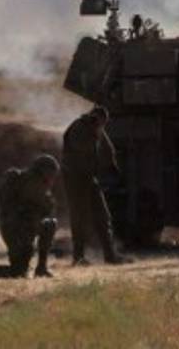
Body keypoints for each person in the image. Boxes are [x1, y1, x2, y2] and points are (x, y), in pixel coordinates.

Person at [62, 105, 132, 265]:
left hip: (89, 178)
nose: (102, 126)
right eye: (101, 122)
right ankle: (78, 257)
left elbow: (107, 148)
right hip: (75, 178)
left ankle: (110, 255)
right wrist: (94, 133)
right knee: (79, 216)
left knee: (103, 216)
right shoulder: (78, 128)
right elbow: (82, 151)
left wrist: (112, 165)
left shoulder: (96, 128)